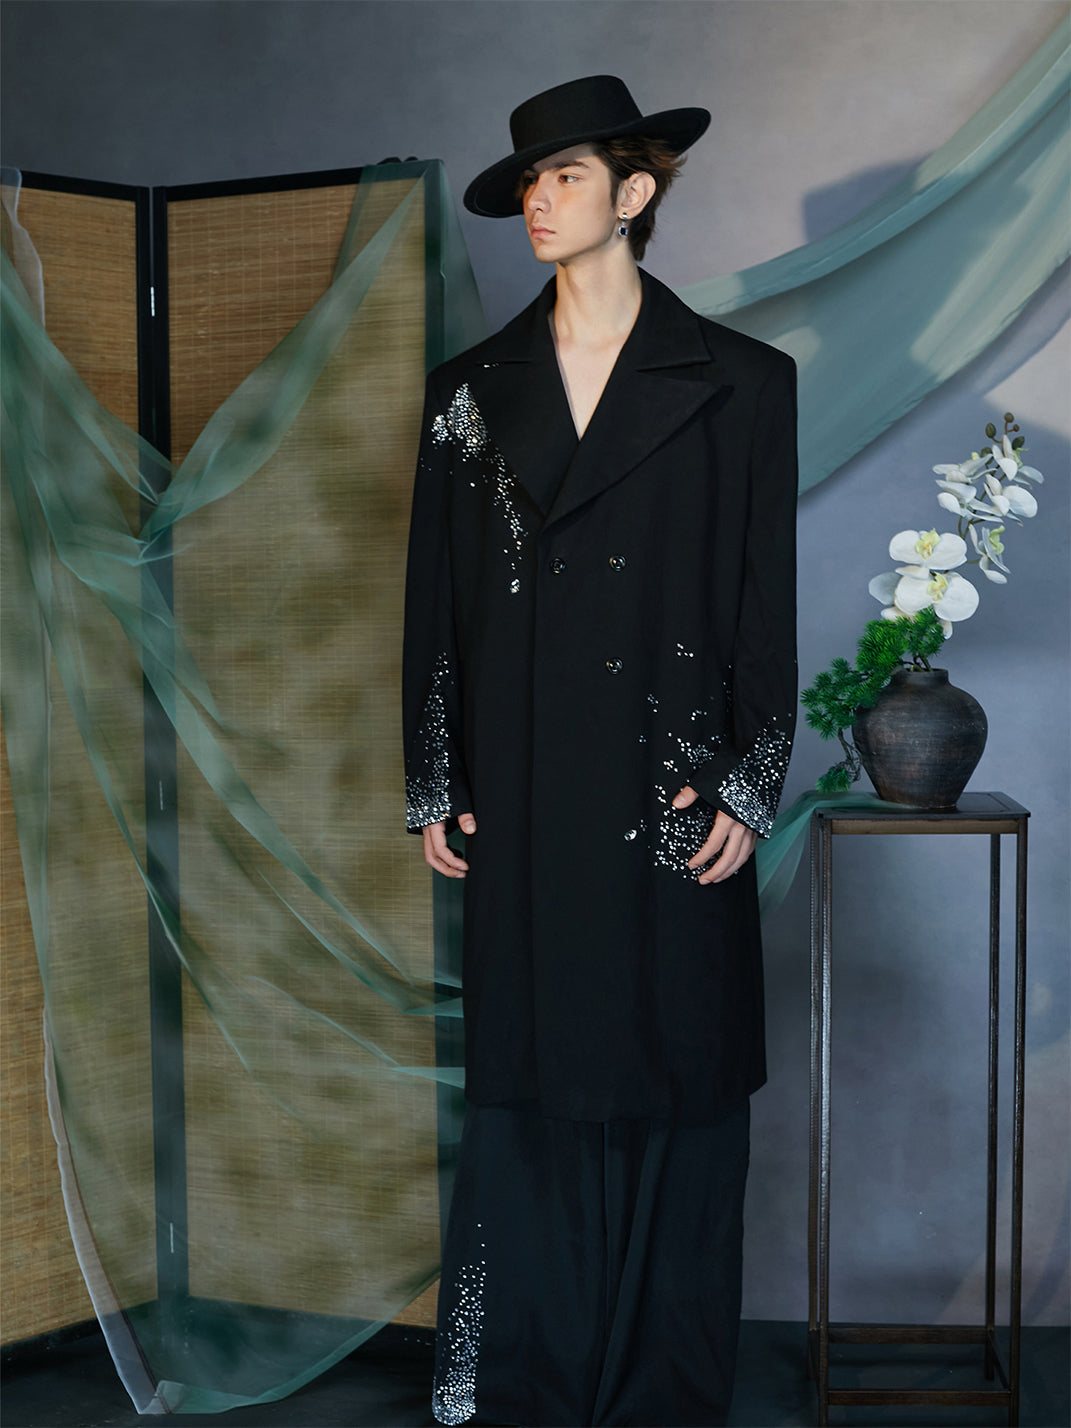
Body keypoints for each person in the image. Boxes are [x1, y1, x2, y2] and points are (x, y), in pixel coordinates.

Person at [403, 74, 798, 1428]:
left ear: (633, 193)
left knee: (679, 1066)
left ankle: (661, 1386)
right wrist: (438, 774)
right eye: (528, 179)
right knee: (533, 1071)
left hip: (671, 781)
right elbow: (434, 601)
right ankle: (522, 1375)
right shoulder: (469, 392)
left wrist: (748, 777)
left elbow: (762, 600)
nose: (537, 199)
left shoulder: (743, 384)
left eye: (564, 174)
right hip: (523, 787)